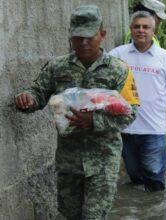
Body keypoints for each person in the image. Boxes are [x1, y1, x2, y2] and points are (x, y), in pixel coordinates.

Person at [15, 5, 139, 219]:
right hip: (68, 161)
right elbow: (38, 92)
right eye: (77, 37)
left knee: (93, 216)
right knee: (70, 215)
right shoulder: (58, 67)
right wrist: (27, 98)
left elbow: (131, 112)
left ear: (102, 33)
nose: (83, 43)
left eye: (89, 36)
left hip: (103, 161)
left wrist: (94, 120)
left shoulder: (119, 70)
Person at [110, 11, 166, 192]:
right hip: (125, 127)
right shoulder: (117, 55)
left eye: (146, 27)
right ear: (131, 29)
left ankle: (156, 211)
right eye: (137, 26)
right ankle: (142, 210)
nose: (141, 30)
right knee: (135, 175)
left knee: (154, 177)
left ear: (153, 30)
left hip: (154, 129)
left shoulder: (164, 57)